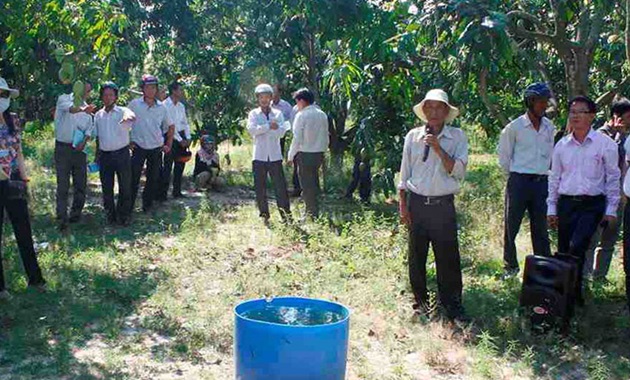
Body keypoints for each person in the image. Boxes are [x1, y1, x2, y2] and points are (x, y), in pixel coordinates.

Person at [398, 89, 468, 322]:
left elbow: (458, 172)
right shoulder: (412, 136)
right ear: (424, 111)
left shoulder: (457, 137)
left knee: (448, 257)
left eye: (439, 108)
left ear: (446, 112)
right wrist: (403, 205)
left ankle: (452, 305)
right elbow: (404, 172)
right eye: (430, 107)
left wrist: (438, 148)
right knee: (417, 256)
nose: (434, 112)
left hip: (442, 205)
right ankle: (420, 302)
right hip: (417, 203)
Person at [547, 96, 620, 306]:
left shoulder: (604, 144)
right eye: (572, 111)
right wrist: (551, 207)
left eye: (581, 111)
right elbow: (554, 177)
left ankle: (572, 294)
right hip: (567, 203)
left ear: (592, 116)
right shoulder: (562, 145)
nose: (575, 115)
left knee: (577, 245)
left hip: (592, 204)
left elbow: (613, 177)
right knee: (564, 250)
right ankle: (567, 297)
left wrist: (611, 209)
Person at [498, 83, 555, 279]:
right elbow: (504, 159)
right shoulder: (514, 128)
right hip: (519, 181)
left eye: (546, 102)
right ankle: (510, 266)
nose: (544, 105)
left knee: (540, 227)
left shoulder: (549, 127)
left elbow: (550, 155)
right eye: (540, 102)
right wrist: (517, 177)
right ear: (530, 102)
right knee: (511, 225)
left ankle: (543, 267)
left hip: (541, 183)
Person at [0, 77, 46, 299]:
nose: (1, 98)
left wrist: (25, 176)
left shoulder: (13, 120)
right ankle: (1, 288)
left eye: (4, 94)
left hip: (14, 179)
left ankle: (35, 278)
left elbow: (18, 150)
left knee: (23, 229)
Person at [585, 97, 630, 281]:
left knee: (609, 238)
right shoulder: (600, 135)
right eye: (628, 117)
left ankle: (600, 275)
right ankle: (585, 276)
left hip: (617, 194)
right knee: (592, 237)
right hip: (599, 193)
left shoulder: (627, 137)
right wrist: (619, 137)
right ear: (616, 117)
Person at [128, 75, 175, 213]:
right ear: (142, 89)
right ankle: (128, 207)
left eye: (153, 87)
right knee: (133, 179)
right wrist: (128, 141)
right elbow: (124, 123)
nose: (151, 90)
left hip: (156, 148)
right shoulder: (134, 105)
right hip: (138, 147)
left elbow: (170, 126)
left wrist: (169, 144)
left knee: (153, 179)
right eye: (148, 87)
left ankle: (147, 206)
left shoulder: (162, 107)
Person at [54, 81, 95, 230]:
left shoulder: (88, 112)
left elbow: (89, 129)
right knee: (63, 184)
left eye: (88, 91)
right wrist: (84, 109)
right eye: (84, 89)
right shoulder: (64, 99)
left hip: (79, 151)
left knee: (80, 184)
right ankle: (61, 217)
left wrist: (84, 141)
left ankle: (75, 215)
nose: (85, 93)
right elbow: (71, 110)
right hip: (63, 148)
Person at [93, 82, 136, 226]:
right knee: (107, 187)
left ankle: (124, 216)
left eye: (111, 94)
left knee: (125, 186)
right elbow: (98, 138)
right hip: (105, 156)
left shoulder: (123, 111)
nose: (108, 97)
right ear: (101, 97)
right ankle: (110, 216)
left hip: (122, 154)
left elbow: (131, 115)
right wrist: (97, 156)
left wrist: (128, 117)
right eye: (105, 95)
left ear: (116, 96)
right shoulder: (98, 115)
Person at [247, 83, 291, 223]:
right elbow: (252, 130)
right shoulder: (253, 114)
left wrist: (267, 129)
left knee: (280, 187)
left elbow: (281, 132)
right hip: (259, 156)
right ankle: (264, 214)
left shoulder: (277, 113)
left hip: (275, 155)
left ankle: (286, 215)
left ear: (271, 98)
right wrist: (268, 127)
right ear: (258, 99)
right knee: (260, 187)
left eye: (267, 97)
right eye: (261, 97)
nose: (264, 100)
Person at [287, 88, 329, 218]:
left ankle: (311, 213)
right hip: (318, 153)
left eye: (297, 102)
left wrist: (290, 155)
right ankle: (316, 210)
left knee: (306, 184)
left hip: (305, 153)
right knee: (314, 182)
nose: (297, 106)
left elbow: (297, 137)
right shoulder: (322, 114)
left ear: (302, 101)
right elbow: (326, 135)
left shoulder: (302, 115)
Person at [160, 81, 191, 199]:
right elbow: (169, 125)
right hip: (169, 138)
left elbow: (185, 123)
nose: (182, 92)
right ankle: (163, 193)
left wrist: (187, 138)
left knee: (180, 165)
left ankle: (177, 192)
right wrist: (178, 139)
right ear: (173, 91)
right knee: (167, 166)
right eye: (180, 90)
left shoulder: (181, 106)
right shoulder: (165, 105)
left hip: (181, 137)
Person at [273, 84, 301, 196]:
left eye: (275, 92)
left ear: (280, 93)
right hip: (266, 138)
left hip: (281, 137)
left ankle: (282, 186)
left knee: (278, 160)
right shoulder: (266, 105)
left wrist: (281, 128)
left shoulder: (286, 106)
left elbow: (292, 121)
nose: (273, 95)